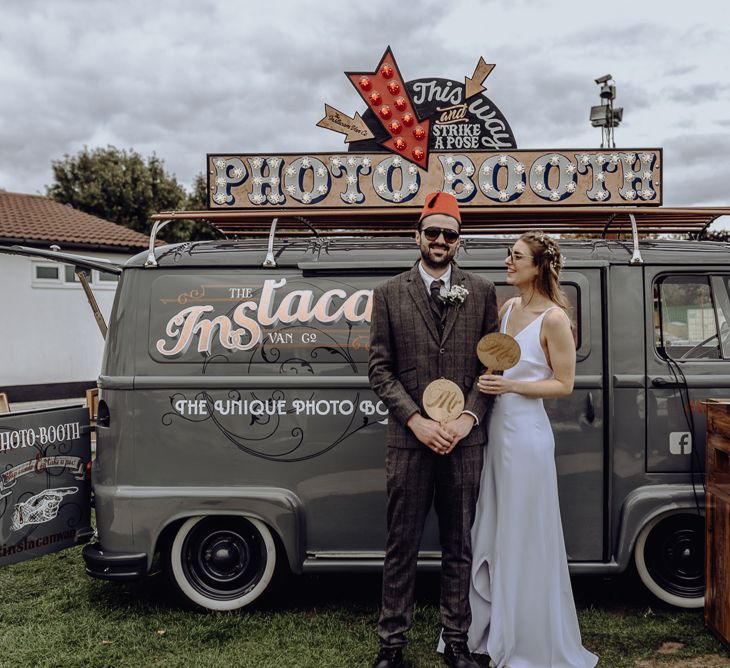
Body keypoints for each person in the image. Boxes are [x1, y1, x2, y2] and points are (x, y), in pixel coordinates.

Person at [368, 191, 499, 668]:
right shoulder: (387, 294)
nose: (440, 240)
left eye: (449, 234)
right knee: (400, 544)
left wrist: (467, 419)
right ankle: (392, 646)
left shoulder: (483, 292)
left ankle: (457, 643)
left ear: (459, 241)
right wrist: (418, 422)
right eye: (433, 232)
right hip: (409, 441)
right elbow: (380, 371)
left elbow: (491, 371)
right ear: (417, 236)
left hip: (465, 443)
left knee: (459, 544)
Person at [468, 231, 598, 667]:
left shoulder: (555, 318)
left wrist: (511, 386)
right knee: (496, 528)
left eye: (517, 256)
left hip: (527, 437)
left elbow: (563, 384)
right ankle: (494, 629)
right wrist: (489, 382)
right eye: (509, 254)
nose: (508, 261)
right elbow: (496, 362)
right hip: (497, 433)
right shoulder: (507, 309)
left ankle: (528, 637)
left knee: (525, 531)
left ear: (539, 266)